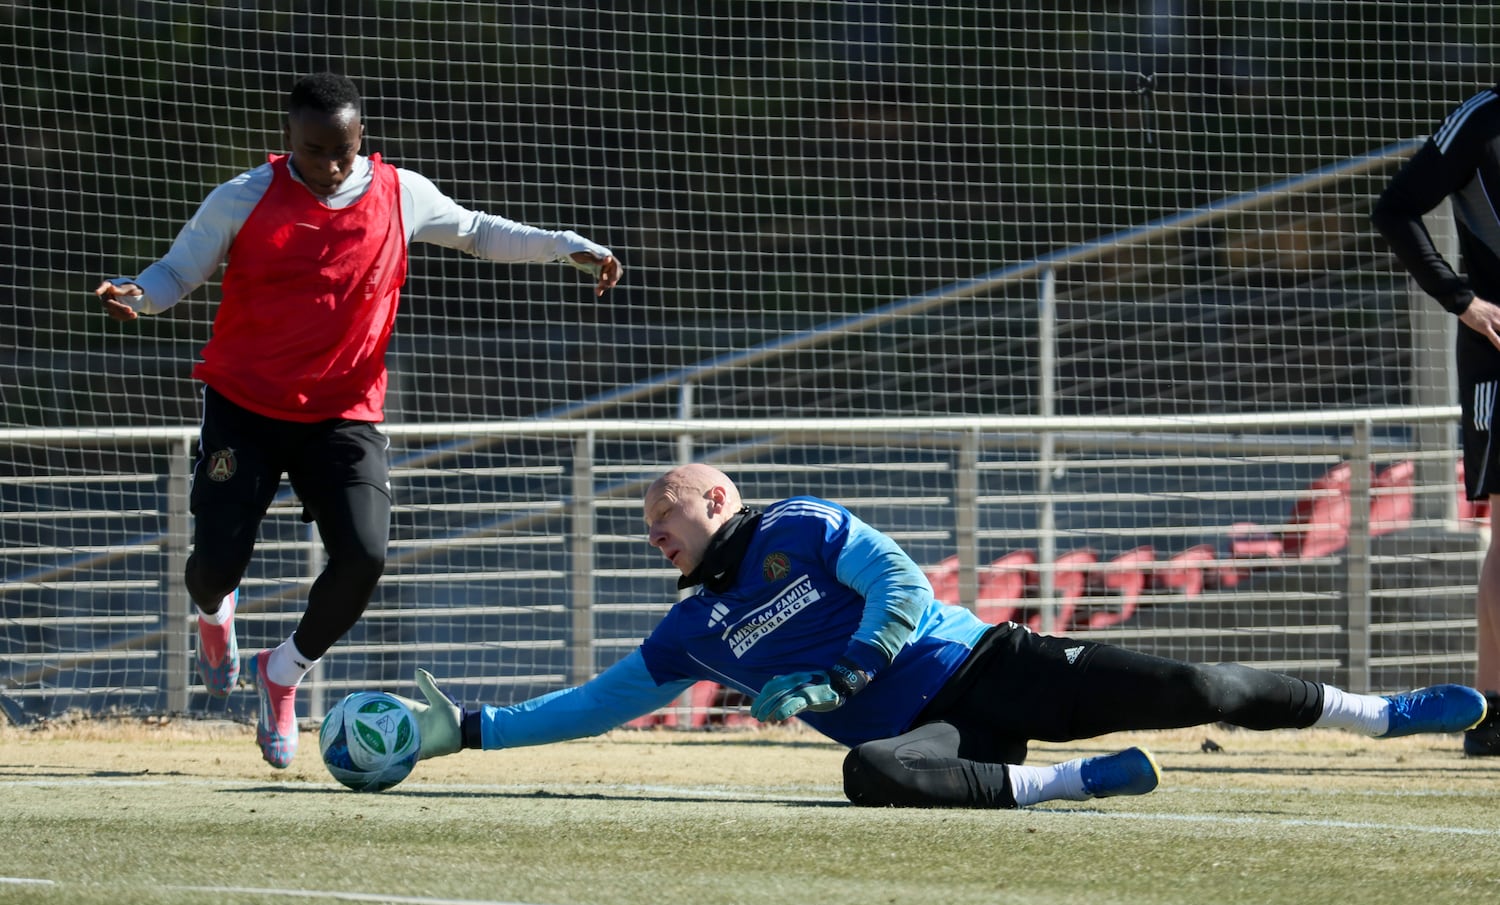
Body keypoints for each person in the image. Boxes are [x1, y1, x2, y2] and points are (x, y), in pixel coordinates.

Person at [391, 463, 1488, 809]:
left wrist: (845, 665)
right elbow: (595, 702)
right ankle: (1071, 787)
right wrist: (472, 732)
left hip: (990, 662)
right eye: (644, 529)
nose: (651, 538)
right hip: (932, 732)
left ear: (713, 497)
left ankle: (1384, 712)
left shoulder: (802, 525)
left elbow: (903, 586)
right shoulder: (692, 631)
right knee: (870, 776)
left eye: (658, 519)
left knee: (1200, 680)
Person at [93, 72, 622, 770]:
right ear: (289, 140)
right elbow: (176, 273)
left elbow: (477, 232)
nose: (333, 164)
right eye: (316, 151)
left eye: (344, 150)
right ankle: (215, 613)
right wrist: (138, 294)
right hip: (244, 406)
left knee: (365, 557)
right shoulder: (242, 197)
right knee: (216, 566)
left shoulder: (400, 192)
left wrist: (562, 245)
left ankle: (281, 674)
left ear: (361, 137)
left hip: (345, 412)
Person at [1372, 85, 1500, 757]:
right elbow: (1396, 207)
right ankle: (1493, 713)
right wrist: (1463, 300)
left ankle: (1489, 717)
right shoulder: (1482, 119)